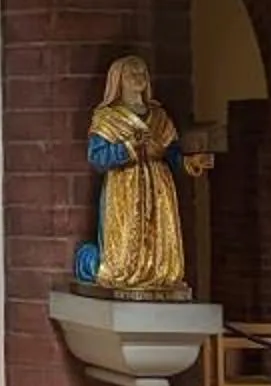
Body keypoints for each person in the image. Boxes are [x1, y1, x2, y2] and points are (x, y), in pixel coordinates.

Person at [75, 52, 204, 298]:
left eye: (142, 72)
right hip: (125, 186)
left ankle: (158, 277)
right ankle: (89, 261)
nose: (138, 77)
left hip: (158, 185)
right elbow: (97, 157)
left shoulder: (159, 116)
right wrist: (129, 146)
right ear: (118, 81)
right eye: (131, 73)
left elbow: (171, 152)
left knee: (163, 263)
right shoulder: (108, 117)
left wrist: (189, 162)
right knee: (120, 265)